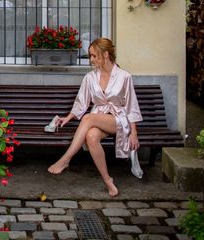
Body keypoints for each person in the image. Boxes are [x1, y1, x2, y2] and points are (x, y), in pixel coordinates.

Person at [47, 38, 142, 197]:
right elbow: (81, 101)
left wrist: (134, 133)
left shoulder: (124, 76)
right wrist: (68, 117)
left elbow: (131, 106)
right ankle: (108, 180)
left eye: (94, 56)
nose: (91, 60)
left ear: (106, 55)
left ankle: (65, 159)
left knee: (88, 118)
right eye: (89, 56)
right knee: (91, 136)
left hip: (118, 120)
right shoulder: (90, 77)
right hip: (99, 119)